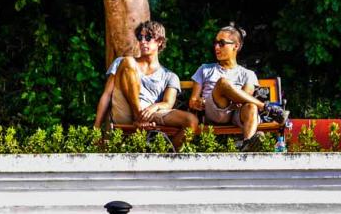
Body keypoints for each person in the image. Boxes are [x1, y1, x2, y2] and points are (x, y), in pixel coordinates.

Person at [94, 21, 198, 150]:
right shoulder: (122, 63)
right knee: (128, 61)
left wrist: (153, 107)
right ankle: (139, 116)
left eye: (148, 38)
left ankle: (167, 156)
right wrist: (96, 128)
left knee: (192, 121)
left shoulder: (170, 76)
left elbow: (168, 103)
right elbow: (106, 95)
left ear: (160, 41)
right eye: (140, 37)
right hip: (125, 111)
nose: (143, 41)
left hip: (149, 113)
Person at [187, 23, 286, 151]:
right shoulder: (205, 69)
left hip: (235, 114)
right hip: (214, 111)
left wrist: (235, 98)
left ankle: (248, 144)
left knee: (251, 106)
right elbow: (192, 100)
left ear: (236, 46)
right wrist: (197, 103)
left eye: (222, 43)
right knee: (222, 82)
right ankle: (266, 108)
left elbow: (245, 99)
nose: (216, 47)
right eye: (215, 43)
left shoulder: (248, 74)